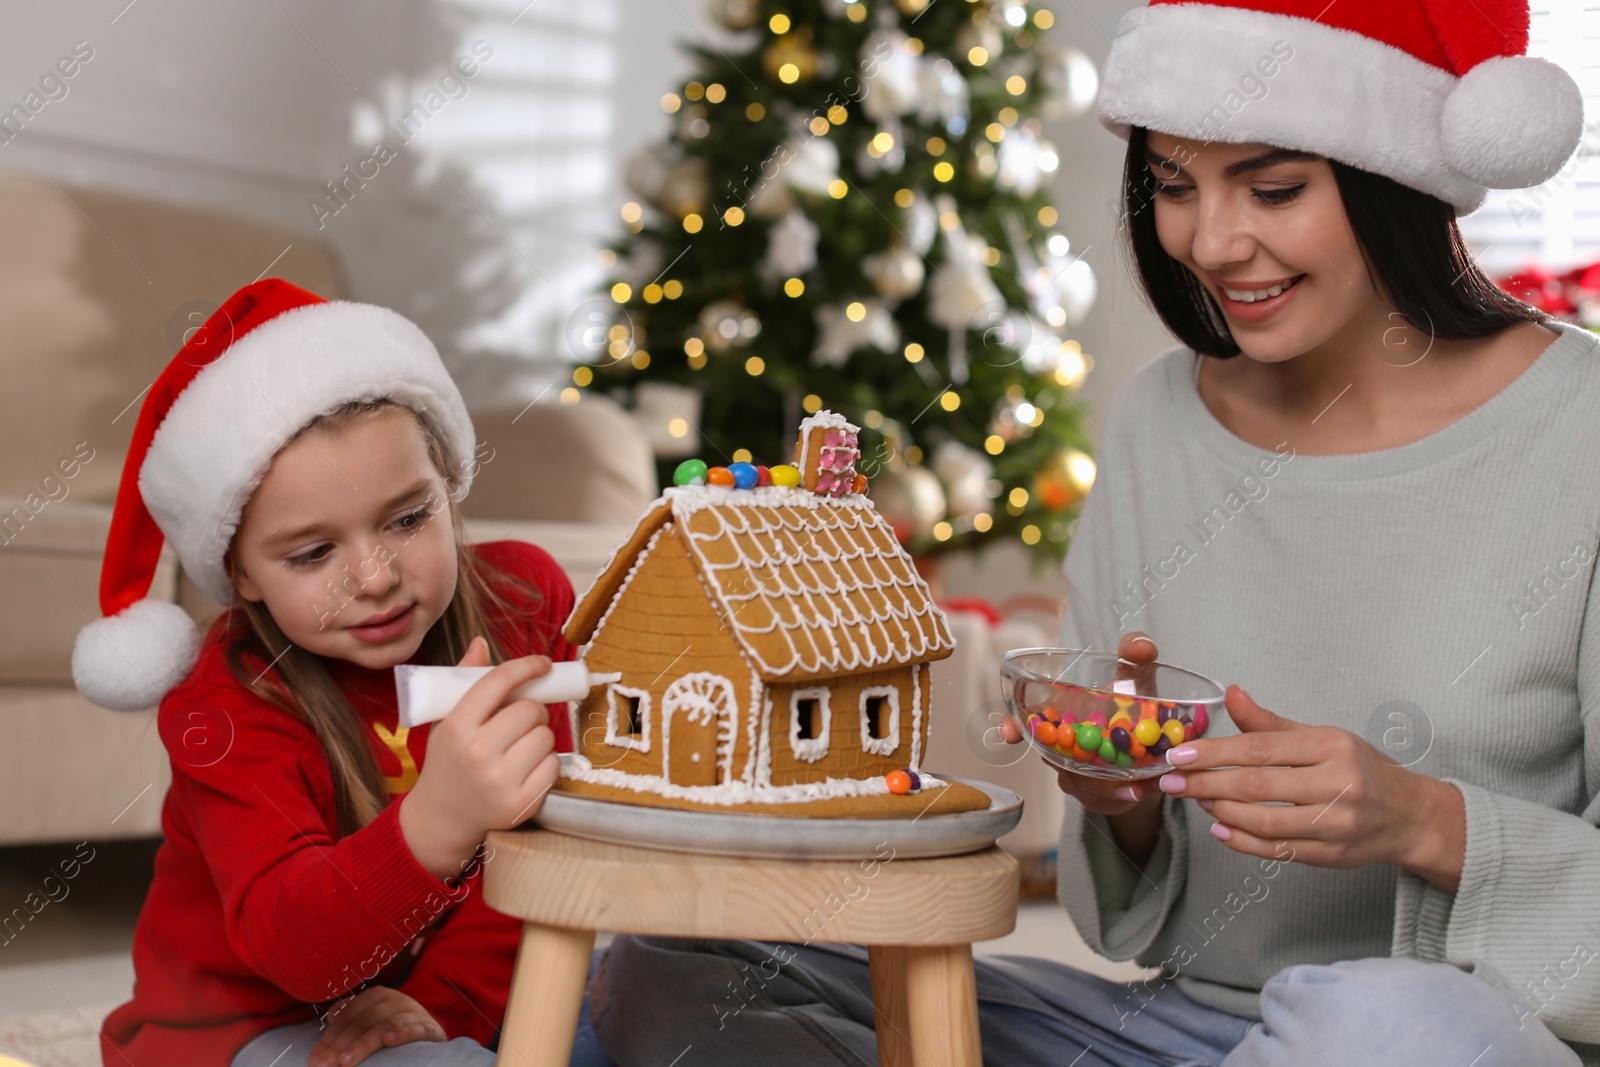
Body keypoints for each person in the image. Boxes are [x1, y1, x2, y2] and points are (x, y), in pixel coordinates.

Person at [586, 1, 1600, 1064]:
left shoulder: (1576, 429)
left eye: (1273, 187)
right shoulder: (1159, 419)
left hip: (1440, 1031)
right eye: (1172, 185)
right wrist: (1117, 799)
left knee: (1388, 1030)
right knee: (670, 967)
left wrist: (1426, 821)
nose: (1209, 242)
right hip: (1173, 1028)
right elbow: (1133, 892)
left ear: (1397, 175)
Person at [75, 279, 611, 1067]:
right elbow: (299, 953)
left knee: (666, 990)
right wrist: (439, 822)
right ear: (243, 572)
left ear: (449, 490)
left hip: (456, 995)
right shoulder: (225, 704)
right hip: (251, 1030)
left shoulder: (523, 602)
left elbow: (543, 862)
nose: (374, 577)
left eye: (406, 518)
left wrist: (438, 1004)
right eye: (313, 552)